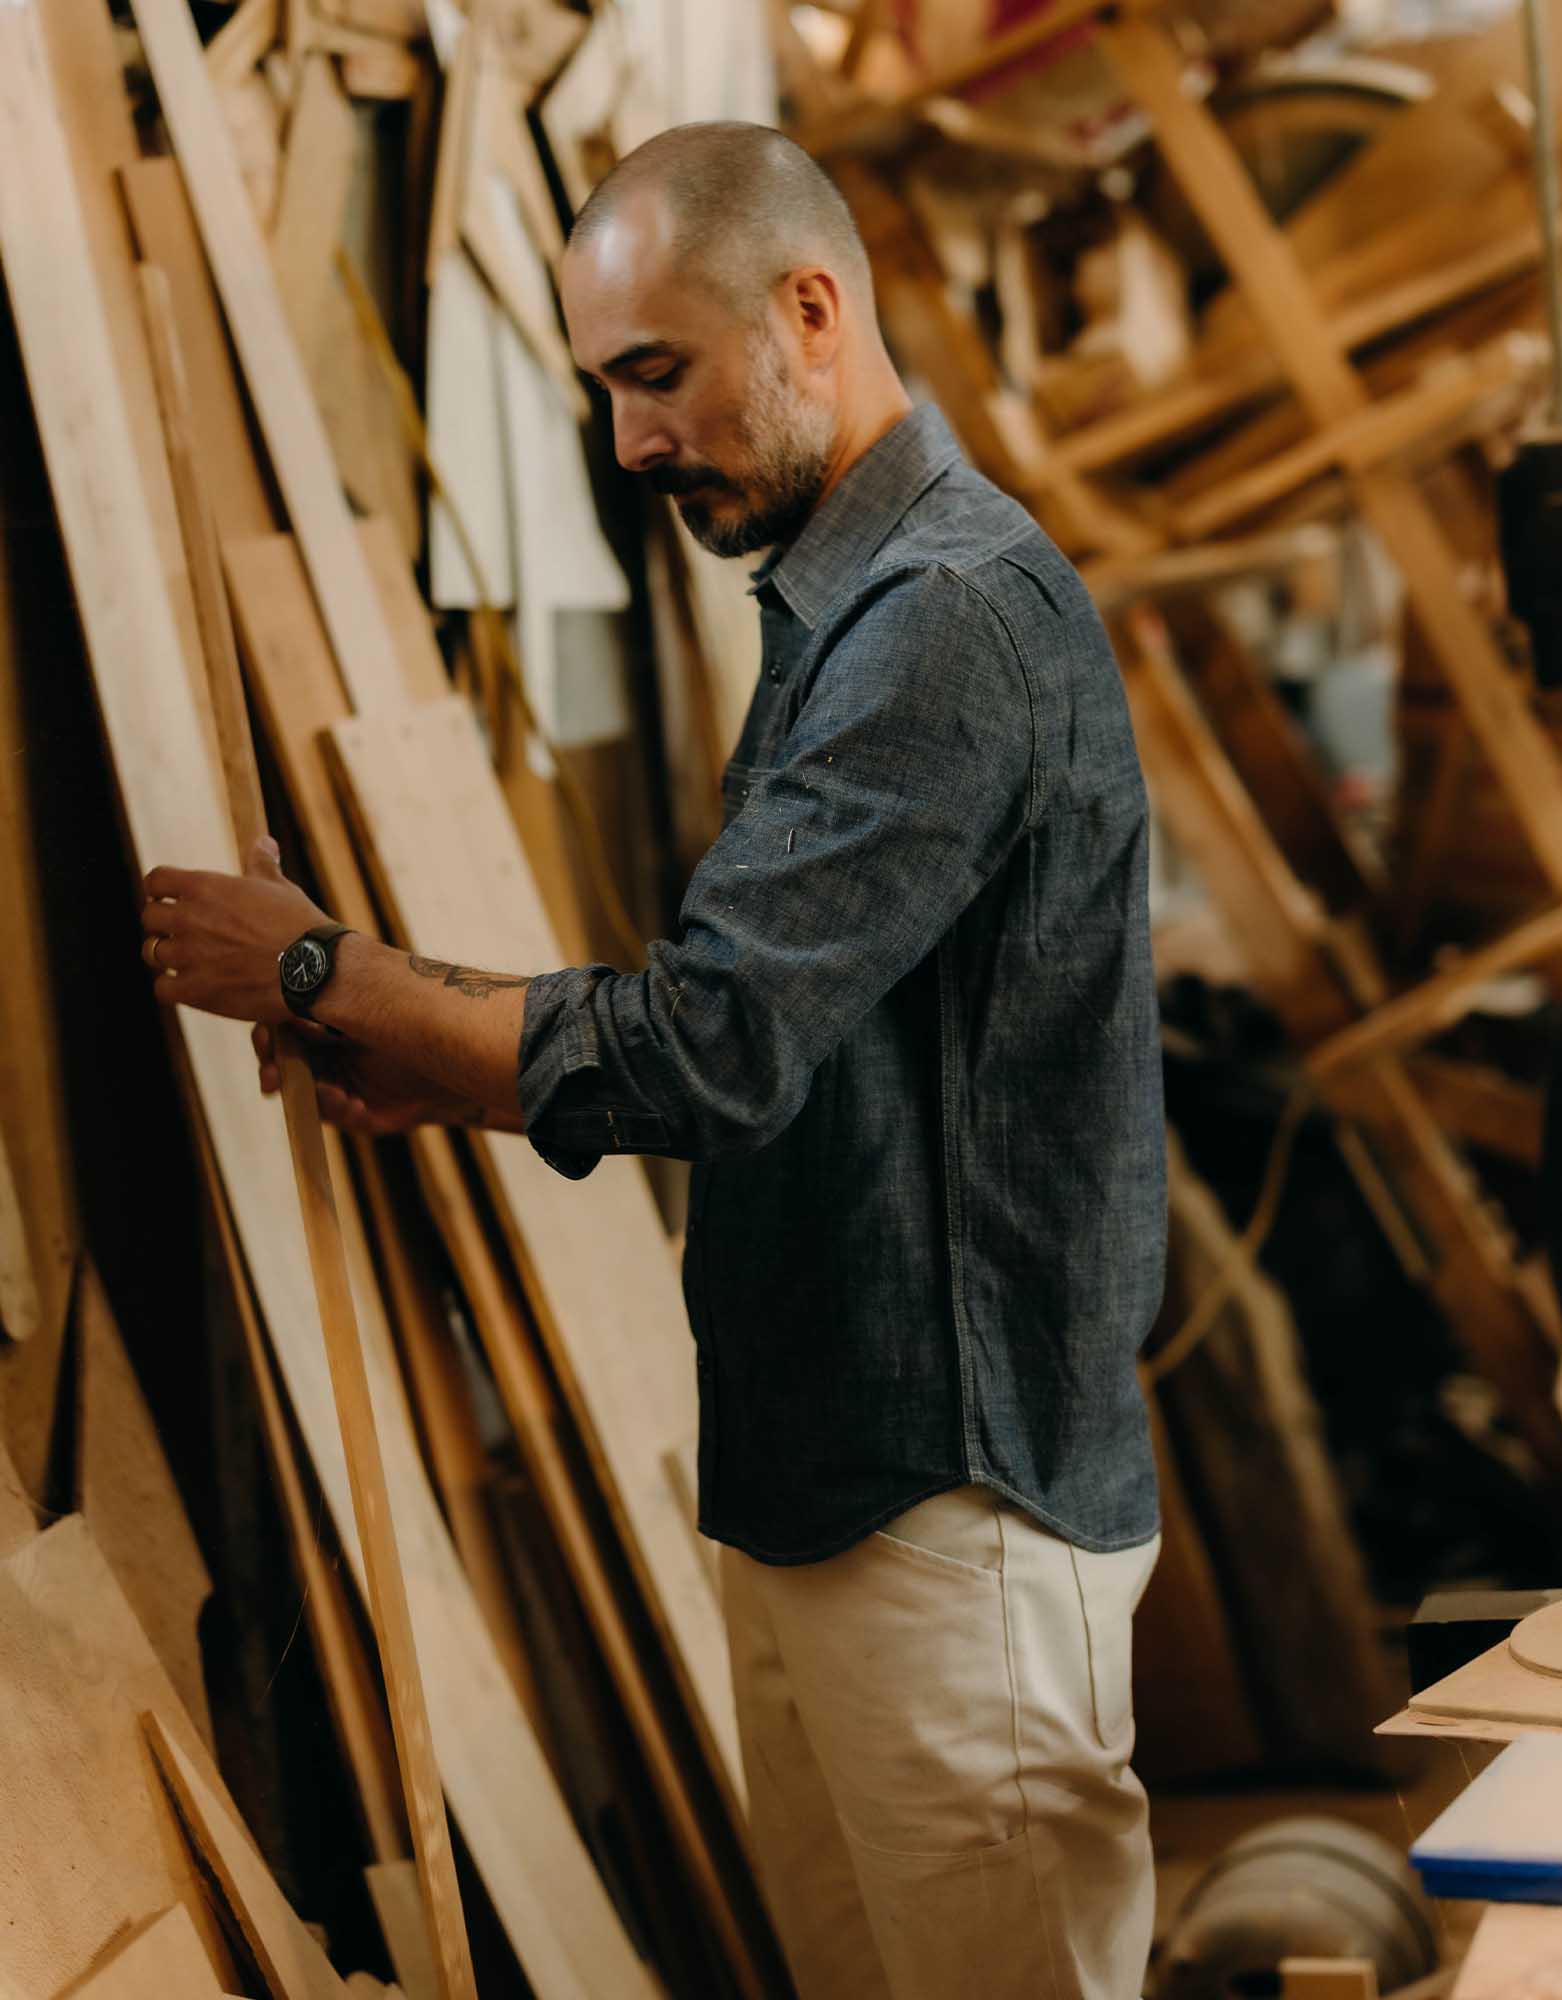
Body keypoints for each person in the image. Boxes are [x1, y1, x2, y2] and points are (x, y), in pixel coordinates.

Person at [140, 122, 1167, 2000]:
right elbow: (786, 1044)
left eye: (655, 376)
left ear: (808, 309)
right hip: (822, 1480)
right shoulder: (842, 605)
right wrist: (427, 1060)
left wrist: (317, 962)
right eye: (607, 387)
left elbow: (707, 1047)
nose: (628, 444)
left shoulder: (943, 621)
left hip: (953, 1506)